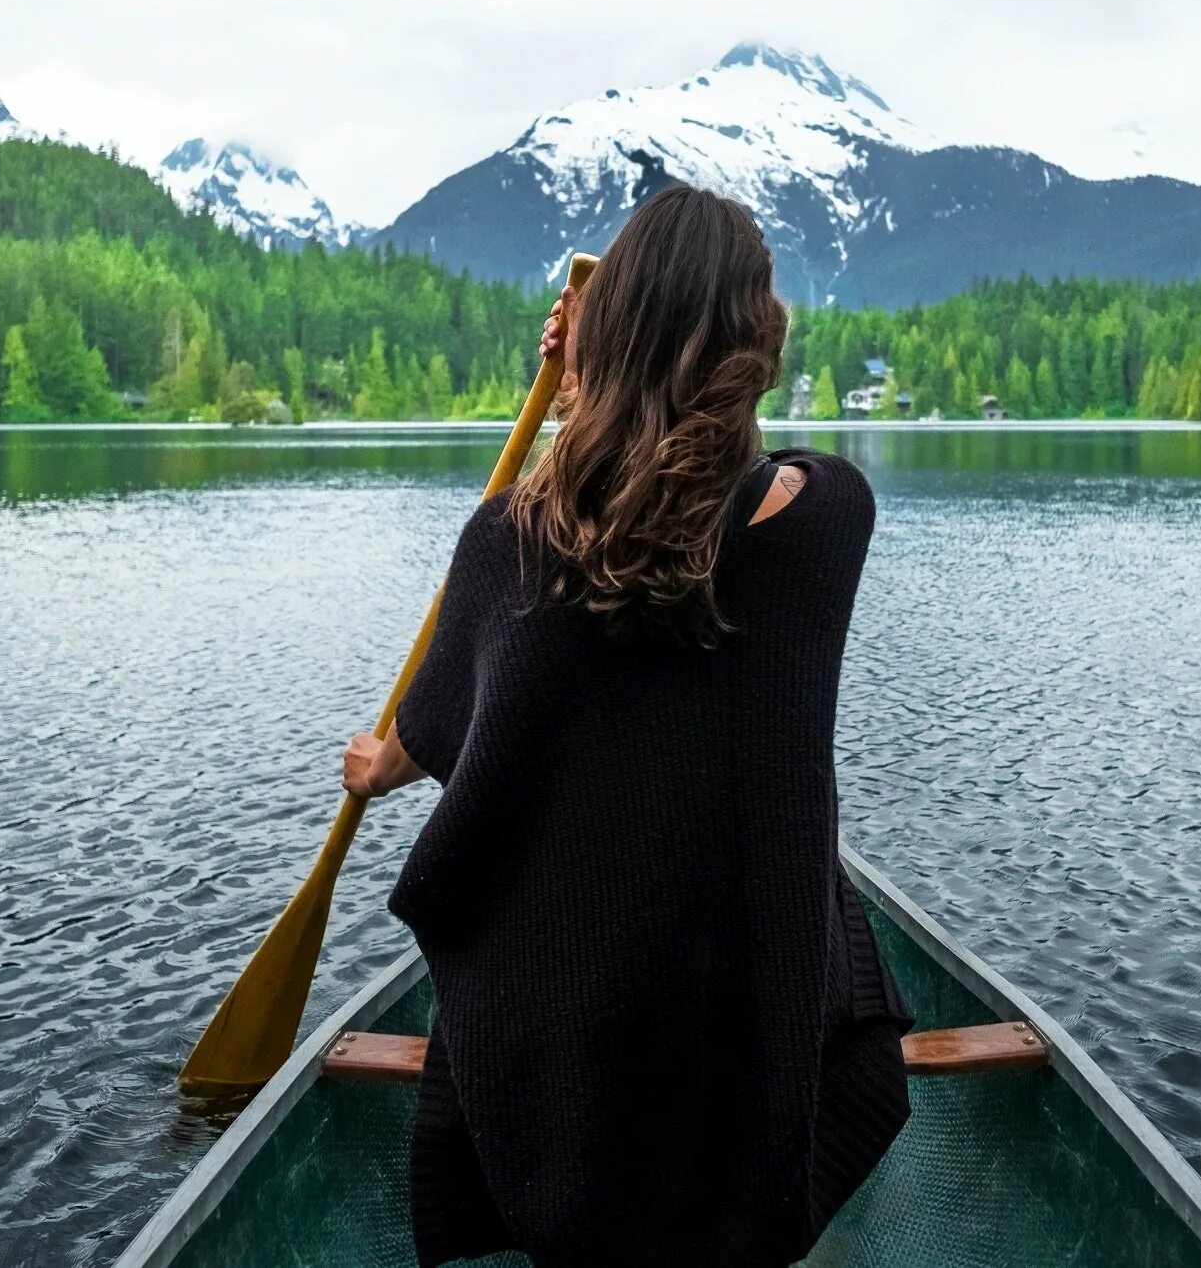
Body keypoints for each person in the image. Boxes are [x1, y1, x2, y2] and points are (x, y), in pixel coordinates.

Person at [340, 184, 910, 1268]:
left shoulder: (505, 541)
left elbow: (443, 724)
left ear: (599, 345)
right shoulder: (831, 519)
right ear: (757, 345)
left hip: (561, 1065)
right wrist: (607, 375)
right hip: (747, 1045)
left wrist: (574, 391)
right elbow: (726, 485)